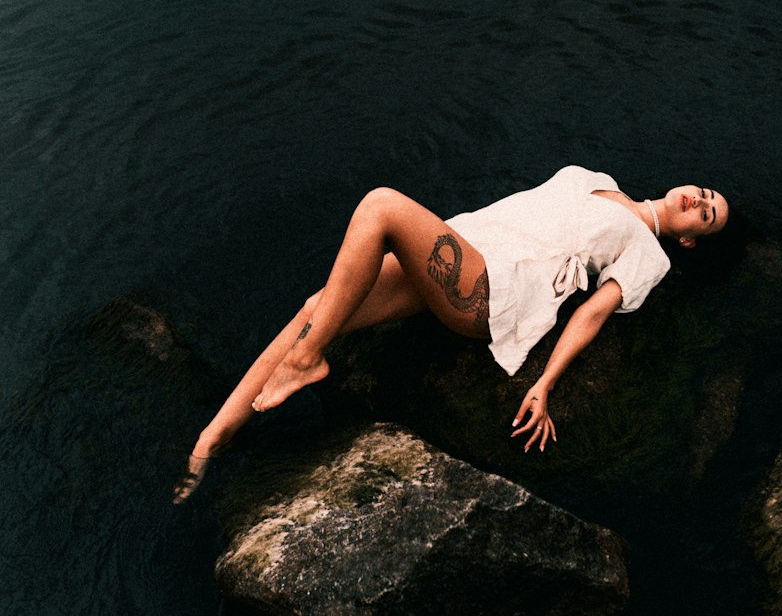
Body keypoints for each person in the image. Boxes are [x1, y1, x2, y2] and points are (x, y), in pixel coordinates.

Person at [172, 165, 729, 501]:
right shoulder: (599, 179)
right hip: (462, 245)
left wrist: (544, 385)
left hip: (494, 289)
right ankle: (210, 440)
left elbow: (592, 314)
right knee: (316, 307)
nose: (697, 201)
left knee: (381, 204)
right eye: (703, 192)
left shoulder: (650, 256)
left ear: (689, 242)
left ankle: (308, 361)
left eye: (705, 214)